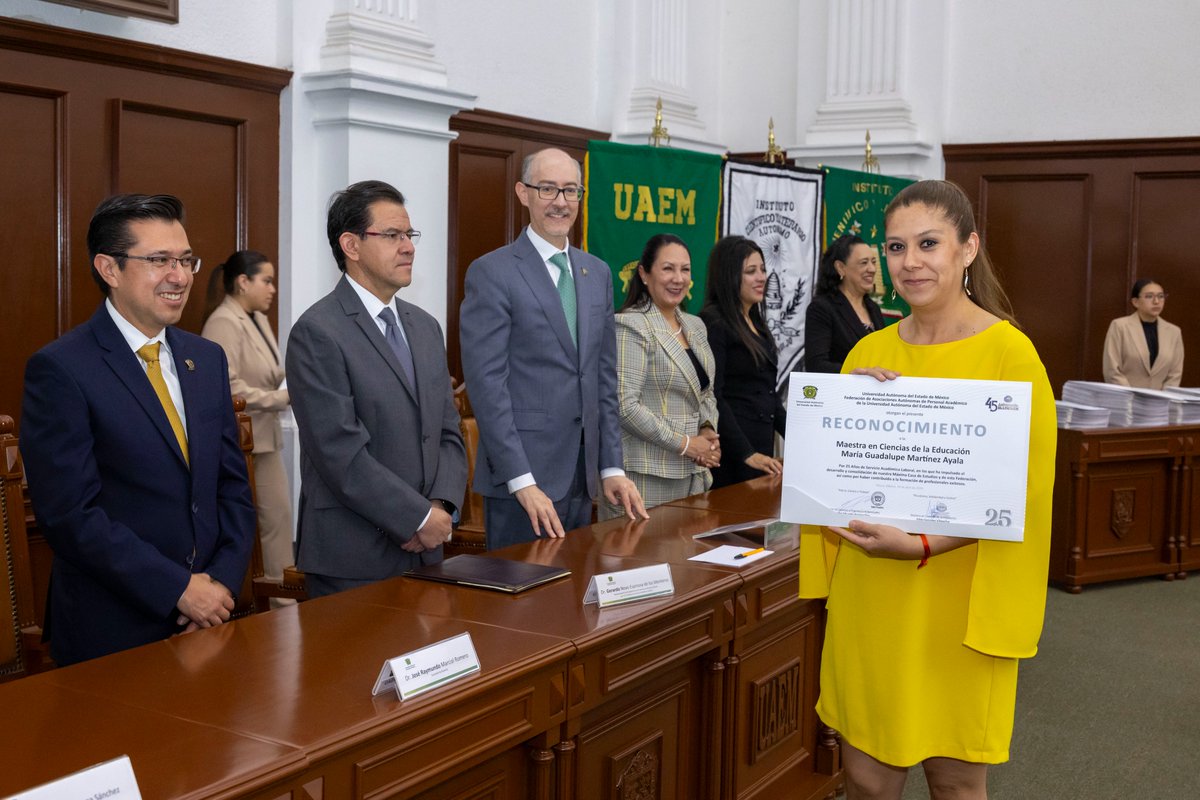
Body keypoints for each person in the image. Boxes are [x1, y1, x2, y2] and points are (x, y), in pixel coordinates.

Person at [799, 180, 1056, 800]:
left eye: (928, 244)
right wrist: (845, 411)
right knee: (865, 777)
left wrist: (921, 545)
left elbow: (1022, 494)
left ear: (968, 248)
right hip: (873, 588)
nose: (909, 262)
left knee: (957, 779)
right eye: (894, 247)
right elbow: (829, 483)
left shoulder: (1010, 355)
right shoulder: (868, 351)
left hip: (960, 594)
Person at [21, 194, 255, 666]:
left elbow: (231, 485)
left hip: (212, 617)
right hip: (114, 628)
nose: (180, 275)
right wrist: (178, 589)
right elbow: (70, 514)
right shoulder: (62, 369)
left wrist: (220, 585)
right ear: (109, 269)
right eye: (159, 260)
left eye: (186, 259)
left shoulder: (205, 359)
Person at [286, 180, 466, 598]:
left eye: (409, 235)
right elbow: (340, 453)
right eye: (391, 235)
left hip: (427, 550)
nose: (408, 247)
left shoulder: (424, 326)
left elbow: (447, 432)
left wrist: (439, 509)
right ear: (350, 245)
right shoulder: (318, 331)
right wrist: (416, 518)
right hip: (353, 555)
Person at [460, 147, 647, 549]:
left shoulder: (596, 272)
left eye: (571, 191)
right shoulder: (492, 272)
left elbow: (603, 378)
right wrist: (521, 481)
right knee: (521, 608)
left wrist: (611, 466)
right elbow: (487, 387)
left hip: (584, 478)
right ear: (522, 193)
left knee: (573, 600)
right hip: (523, 485)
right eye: (547, 189)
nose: (561, 202)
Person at [599, 234, 720, 520]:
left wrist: (706, 432)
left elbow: (706, 393)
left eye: (685, 269)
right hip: (644, 480)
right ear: (644, 273)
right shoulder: (630, 324)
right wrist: (687, 444)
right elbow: (624, 405)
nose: (678, 278)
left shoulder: (696, 325)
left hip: (694, 477)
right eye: (668, 268)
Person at [201, 250, 294, 594]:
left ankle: (283, 600)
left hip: (265, 438)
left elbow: (271, 372)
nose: (272, 289)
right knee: (270, 525)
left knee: (278, 522)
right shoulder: (223, 321)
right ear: (243, 282)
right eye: (266, 280)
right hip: (243, 444)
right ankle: (279, 605)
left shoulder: (257, 318)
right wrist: (282, 398)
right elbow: (228, 387)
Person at [699, 236, 785, 489]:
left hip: (760, 448)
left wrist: (803, 438)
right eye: (751, 271)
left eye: (763, 269)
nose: (761, 277)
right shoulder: (713, 322)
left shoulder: (756, 322)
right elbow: (714, 397)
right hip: (732, 453)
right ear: (729, 276)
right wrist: (747, 453)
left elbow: (769, 395)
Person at [805, 234, 886, 373]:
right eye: (864, 262)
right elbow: (816, 365)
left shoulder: (874, 309)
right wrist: (855, 373)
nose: (872, 269)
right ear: (840, 268)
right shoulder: (821, 308)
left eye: (873, 261)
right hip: (840, 393)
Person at [1102, 278, 1184, 389]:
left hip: (1160, 403)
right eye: (1149, 296)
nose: (1156, 301)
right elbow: (1112, 369)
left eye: (1160, 296)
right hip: (1126, 401)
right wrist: (1132, 397)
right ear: (1135, 302)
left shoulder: (1174, 332)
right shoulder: (1120, 326)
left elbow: (1175, 374)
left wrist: (1162, 400)